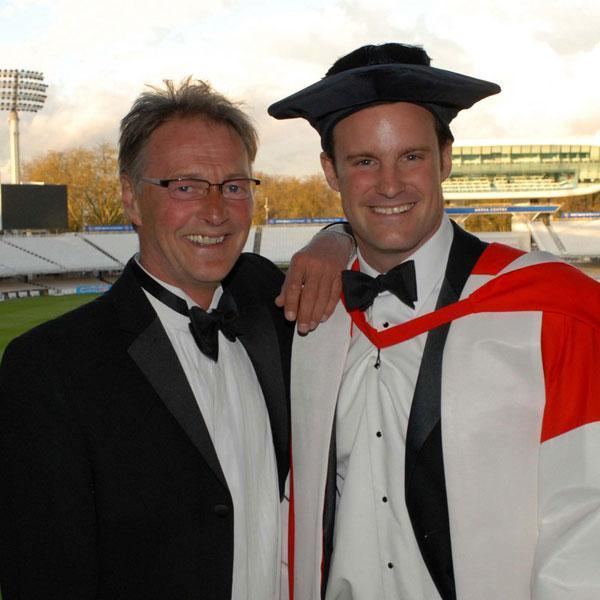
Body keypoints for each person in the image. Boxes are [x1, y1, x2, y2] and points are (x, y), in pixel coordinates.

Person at [269, 43, 600, 600]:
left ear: (446, 159)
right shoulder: (299, 316)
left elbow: (587, 517)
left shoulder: (554, 310)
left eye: (412, 157)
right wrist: (332, 237)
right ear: (331, 170)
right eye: (364, 161)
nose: (390, 185)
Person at [0, 79, 351, 600]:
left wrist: (336, 236)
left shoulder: (270, 304)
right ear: (130, 199)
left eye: (234, 186)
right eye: (185, 186)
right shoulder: (50, 369)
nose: (215, 212)